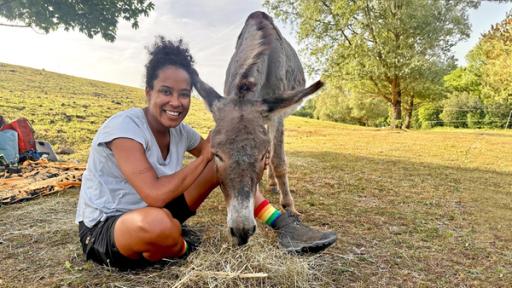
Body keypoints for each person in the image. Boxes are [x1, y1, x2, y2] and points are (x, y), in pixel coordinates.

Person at [75, 36, 336, 270]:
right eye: (166, 92)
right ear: (148, 93)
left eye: (184, 94)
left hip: (161, 213)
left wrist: (255, 157)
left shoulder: (181, 132)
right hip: (110, 229)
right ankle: (183, 248)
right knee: (157, 224)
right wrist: (204, 156)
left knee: (219, 162)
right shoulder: (125, 128)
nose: (175, 102)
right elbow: (154, 195)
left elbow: (222, 161)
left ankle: (284, 225)